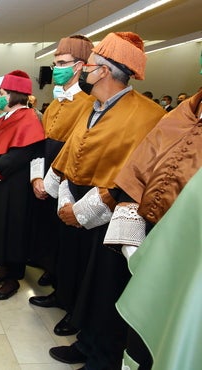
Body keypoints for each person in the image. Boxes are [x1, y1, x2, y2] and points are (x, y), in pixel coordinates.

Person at [48, 32, 166, 370]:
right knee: (83, 285)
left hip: (111, 218)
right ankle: (85, 343)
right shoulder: (94, 107)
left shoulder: (148, 115)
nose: (84, 70)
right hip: (79, 206)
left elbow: (132, 178)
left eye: (89, 65)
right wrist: (66, 198)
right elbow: (72, 153)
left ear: (104, 71)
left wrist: (85, 210)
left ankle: (103, 357)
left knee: (106, 291)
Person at [106, 61, 202, 369]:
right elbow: (139, 169)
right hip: (148, 239)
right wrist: (132, 243)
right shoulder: (183, 113)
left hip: (189, 258)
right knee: (138, 336)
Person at [27, 36, 95, 337]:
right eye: (54, 64)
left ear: (80, 66)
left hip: (71, 184)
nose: (56, 69)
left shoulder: (90, 104)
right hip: (47, 178)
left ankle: (72, 305)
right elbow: (40, 146)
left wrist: (57, 182)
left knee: (72, 250)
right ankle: (57, 287)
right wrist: (36, 177)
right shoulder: (54, 103)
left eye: (62, 64)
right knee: (52, 241)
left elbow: (79, 152)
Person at [0, 70, 45, 301]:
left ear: (15, 94)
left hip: (13, 190)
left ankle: (12, 280)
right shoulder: (3, 118)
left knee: (11, 233)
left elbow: (18, 157)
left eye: (1, 93)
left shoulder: (28, 118)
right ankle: (1, 270)